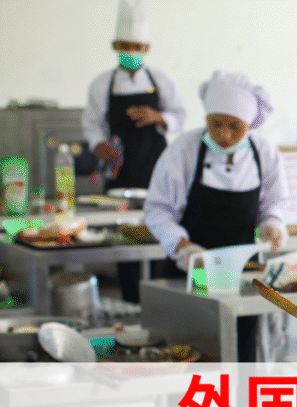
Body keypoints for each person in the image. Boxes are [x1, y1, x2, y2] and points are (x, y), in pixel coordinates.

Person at [143, 71, 289, 363]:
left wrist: (272, 222)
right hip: (192, 271)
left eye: (236, 127)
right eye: (216, 124)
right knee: (192, 355)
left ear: (251, 124)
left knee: (242, 354)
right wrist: (182, 246)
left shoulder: (264, 151)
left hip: (241, 276)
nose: (224, 135)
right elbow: (157, 209)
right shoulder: (184, 149)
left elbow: (274, 202)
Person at [82, 0, 186, 303]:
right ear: (115, 46)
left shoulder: (162, 80)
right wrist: (99, 146)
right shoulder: (101, 84)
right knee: (124, 236)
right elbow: (92, 123)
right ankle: (131, 300)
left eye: (137, 47)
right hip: (120, 172)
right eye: (126, 46)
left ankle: (162, 300)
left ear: (147, 48)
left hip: (157, 169)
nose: (132, 51)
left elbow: (180, 116)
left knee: (160, 231)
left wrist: (158, 117)